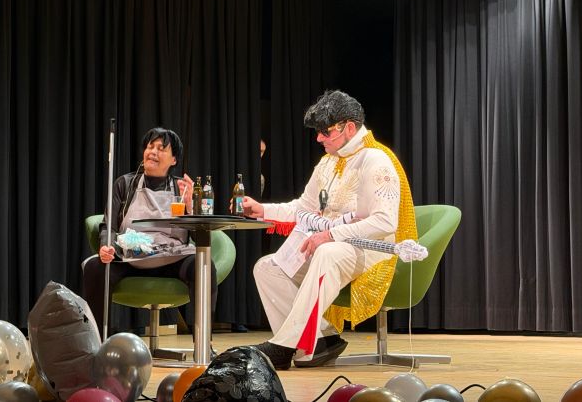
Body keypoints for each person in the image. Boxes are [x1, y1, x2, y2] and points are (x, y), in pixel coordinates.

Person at [241, 90, 418, 370]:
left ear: (349, 128)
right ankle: (323, 339)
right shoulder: (328, 161)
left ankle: (284, 346)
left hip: (371, 249)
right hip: (333, 245)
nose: (319, 138)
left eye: (325, 131)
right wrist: (263, 210)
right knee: (267, 268)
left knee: (327, 252)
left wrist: (330, 235)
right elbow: (303, 207)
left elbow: (385, 223)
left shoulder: (376, 160)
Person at [82, 127, 218, 342]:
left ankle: (203, 344)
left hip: (172, 259)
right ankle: (96, 343)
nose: (153, 152)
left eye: (161, 148)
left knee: (204, 265)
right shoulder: (125, 184)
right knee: (94, 267)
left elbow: (197, 234)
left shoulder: (181, 188)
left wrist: (192, 207)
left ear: (174, 160)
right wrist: (106, 246)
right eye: (150, 146)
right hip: (132, 258)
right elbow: (109, 225)